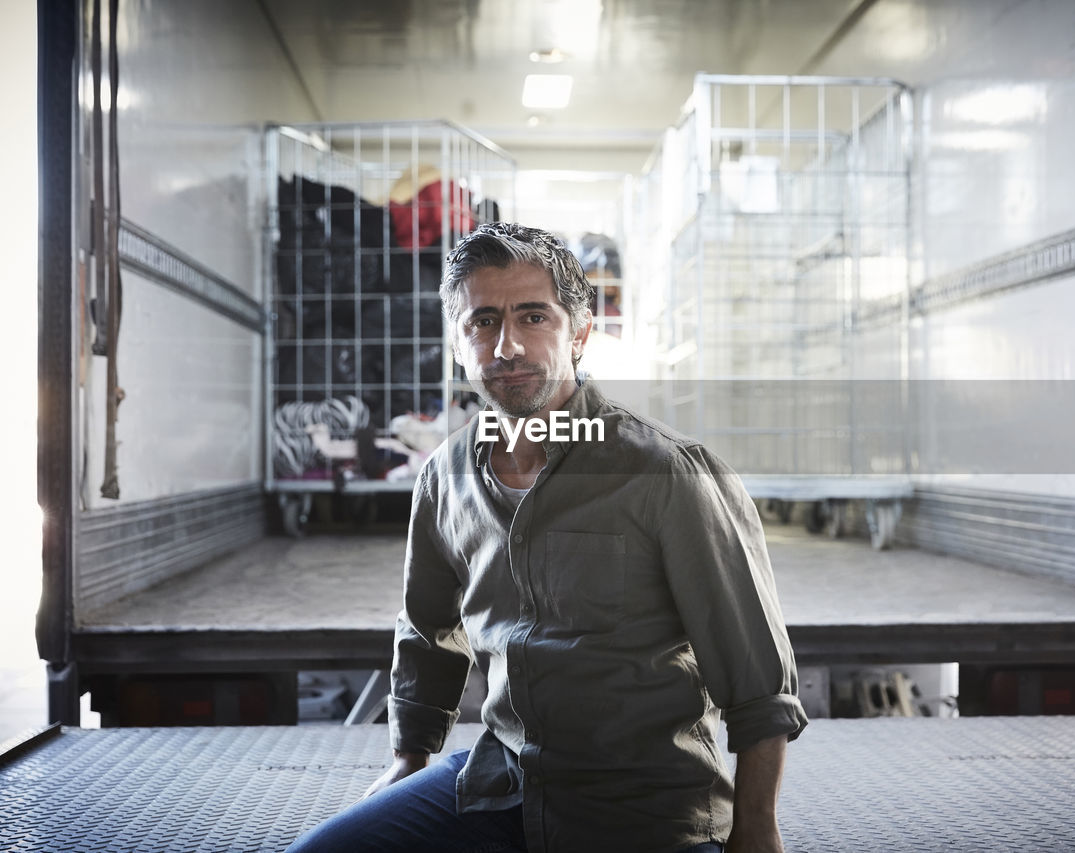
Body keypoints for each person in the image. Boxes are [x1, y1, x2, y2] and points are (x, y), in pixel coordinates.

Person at [287, 223, 807, 853]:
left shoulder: (665, 472)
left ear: (579, 333)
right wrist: (409, 756)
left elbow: (758, 681)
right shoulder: (444, 477)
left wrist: (757, 828)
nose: (507, 345)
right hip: (501, 782)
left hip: (644, 808)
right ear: (457, 343)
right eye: (483, 321)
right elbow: (427, 629)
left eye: (534, 316)